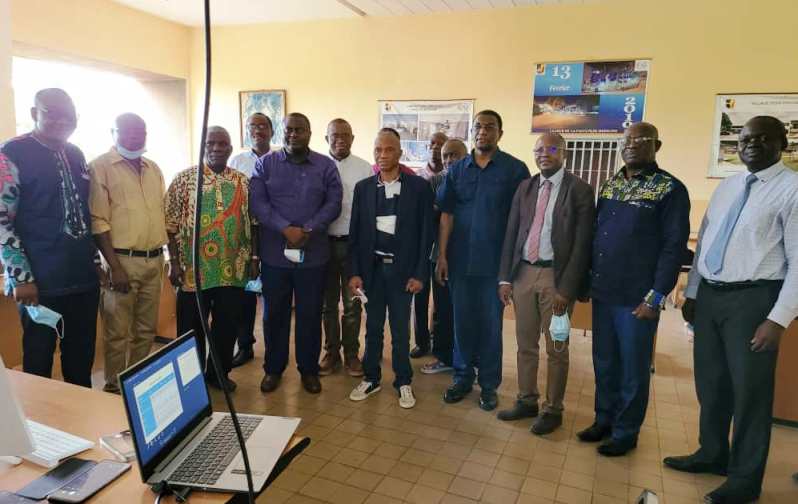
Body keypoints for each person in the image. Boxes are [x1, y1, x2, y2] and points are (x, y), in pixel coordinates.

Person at [664, 116, 798, 504]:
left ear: (781, 142)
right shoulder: (728, 186)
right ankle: (712, 453)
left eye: (762, 138)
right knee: (711, 384)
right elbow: (706, 239)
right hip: (712, 298)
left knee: (750, 396)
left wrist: (777, 319)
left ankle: (744, 479)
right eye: (744, 139)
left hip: (755, 301)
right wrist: (693, 292)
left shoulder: (791, 189)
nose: (752, 144)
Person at [578, 122, 690, 456]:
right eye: (627, 140)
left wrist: (656, 296)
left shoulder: (670, 189)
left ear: (657, 144)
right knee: (605, 361)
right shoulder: (611, 184)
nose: (632, 145)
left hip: (638, 298)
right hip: (605, 290)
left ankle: (626, 433)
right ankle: (604, 420)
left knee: (633, 368)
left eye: (641, 140)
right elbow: (597, 234)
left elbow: (673, 247)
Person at [0, 88, 100, 387]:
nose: (61, 121)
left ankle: (79, 427)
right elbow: (2, 220)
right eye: (51, 113)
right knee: (39, 360)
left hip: (82, 279)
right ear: (34, 114)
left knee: (81, 360)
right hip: (40, 283)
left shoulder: (75, 153)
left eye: (68, 116)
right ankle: (43, 431)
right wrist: (20, 277)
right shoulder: (11, 153)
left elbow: (83, 214)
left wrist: (95, 260)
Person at [496, 133, 595, 435]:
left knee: (557, 347)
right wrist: (505, 277)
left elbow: (582, 244)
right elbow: (512, 232)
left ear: (564, 153)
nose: (544, 154)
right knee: (525, 344)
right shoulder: (525, 187)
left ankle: (553, 409)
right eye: (539, 150)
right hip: (524, 275)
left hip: (557, 279)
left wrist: (567, 289)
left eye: (552, 149)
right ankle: (527, 400)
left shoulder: (579, 190)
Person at [436, 110, 530, 411]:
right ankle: (463, 377)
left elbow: (522, 219)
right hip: (460, 261)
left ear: (500, 133)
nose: (482, 132)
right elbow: (446, 214)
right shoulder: (457, 170)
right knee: (461, 322)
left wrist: (513, 268)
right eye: (478, 127)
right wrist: (441, 255)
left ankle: (489, 385)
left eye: (490, 127)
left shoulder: (515, 170)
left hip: (496, 265)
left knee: (491, 326)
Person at [250, 113, 343, 395]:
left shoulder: (325, 166)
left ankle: (309, 370)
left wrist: (309, 228)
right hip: (275, 255)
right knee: (273, 315)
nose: (293, 134)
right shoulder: (265, 164)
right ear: (283, 132)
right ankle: (273, 370)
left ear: (309, 133)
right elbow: (258, 202)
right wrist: (284, 228)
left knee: (310, 314)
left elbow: (334, 202)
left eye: (299, 130)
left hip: (313, 255)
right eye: (288, 130)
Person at [347, 128, 434, 408]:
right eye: (378, 150)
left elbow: (425, 236)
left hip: (402, 273)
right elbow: (356, 234)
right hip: (372, 272)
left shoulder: (419, 188)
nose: (383, 155)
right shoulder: (363, 188)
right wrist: (355, 272)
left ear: (400, 152)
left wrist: (420, 274)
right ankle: (371, 377)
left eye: (389, 150)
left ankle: (403, 381)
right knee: (372, 329)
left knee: (400, 331)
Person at [165, 126, 255, 393]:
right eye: (211, 143)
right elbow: (169, 225)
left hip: (231, 269)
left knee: (226, 325)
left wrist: (252, 258)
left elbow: (252, 222)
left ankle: (218, 373)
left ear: (230, 148)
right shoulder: (184, 180)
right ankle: (190, 380)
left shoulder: (242, 181)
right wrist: (175, 262)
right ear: (203, 147)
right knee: (190, 328)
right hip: (193, 271)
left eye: (222, 143)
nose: (216, 148)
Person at [89, 113, 167, 394]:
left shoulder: (153, 167)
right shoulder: (100, 167)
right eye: (129, 131)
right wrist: (114, 266)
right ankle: (113, 383)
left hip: (155, 259)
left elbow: (161, 212)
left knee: (146, 329)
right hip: (122, 260)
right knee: (117, 331)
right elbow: (98, 221)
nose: (136, 136)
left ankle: (136, 380)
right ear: (113, 132)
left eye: (141, 131)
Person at [318, 118, 372, 377]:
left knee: (352, 304)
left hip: (353, 246)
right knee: (328, 304)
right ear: (326, 138)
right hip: (323, 245)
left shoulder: (365, 169)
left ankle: (351, 354)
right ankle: (331, 353)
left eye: (345, 135)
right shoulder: (316, 166)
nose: (340, 139)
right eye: (334, 135)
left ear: (353, 138)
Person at [420, 138, 466, 375]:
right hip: (440, 256)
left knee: (466, 312)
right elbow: (428, 217)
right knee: (443, 310)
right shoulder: (435, 181)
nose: (449, 160)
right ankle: (443, 356)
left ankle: (468, 359)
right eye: (446, 156)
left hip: (467, 257)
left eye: (454, 155)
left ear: (466, 155)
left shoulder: (472, 180)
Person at [228, 113, 270, 368]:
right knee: (244, 295)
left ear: (271, 131)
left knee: (272, 295)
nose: (258, 130)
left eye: (263, 126)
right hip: (243, 237)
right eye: (253, 126)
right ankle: (245, 345)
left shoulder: (279, 158)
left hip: (273, 235)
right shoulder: (237, 160)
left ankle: (274, 348)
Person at [410, 131, 448, 359]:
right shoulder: (416, 177)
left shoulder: (452, 176)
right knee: (420, 297)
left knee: (442, 297)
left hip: (444, 246)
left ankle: (439, 339)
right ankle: (422, 342)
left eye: (440, 144)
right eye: (432, 143)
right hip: (421, 244)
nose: (435, 147)